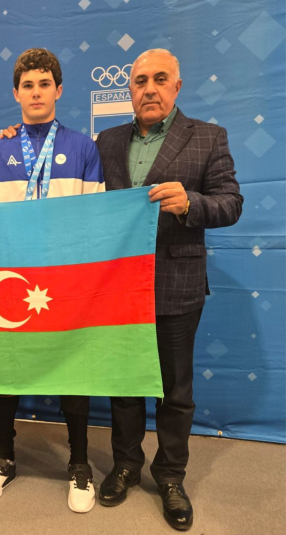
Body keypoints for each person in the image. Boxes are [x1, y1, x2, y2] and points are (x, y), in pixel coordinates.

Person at [95, 49, 243, 531]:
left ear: (177, 87)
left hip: (176, 284)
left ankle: (171, 477)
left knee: (175, 391)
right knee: (124, 385)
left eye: (160, 79)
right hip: (118, 287)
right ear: (130, 90)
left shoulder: (208, 137)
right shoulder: (106, 141)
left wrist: (190, 203)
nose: (149, 89)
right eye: (140, 81)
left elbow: (231, 203)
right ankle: (125, 464)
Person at [0, 48, 105, 513]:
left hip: (64, 279)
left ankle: (80, 464)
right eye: (27, 85)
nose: (36, 92)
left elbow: (94, 218)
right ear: (16, 93)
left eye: (44, 84)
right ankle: (2, 457)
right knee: (6, 366)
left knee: (73, 367)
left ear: (59, 90)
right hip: (9, 278)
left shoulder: (84, 148)